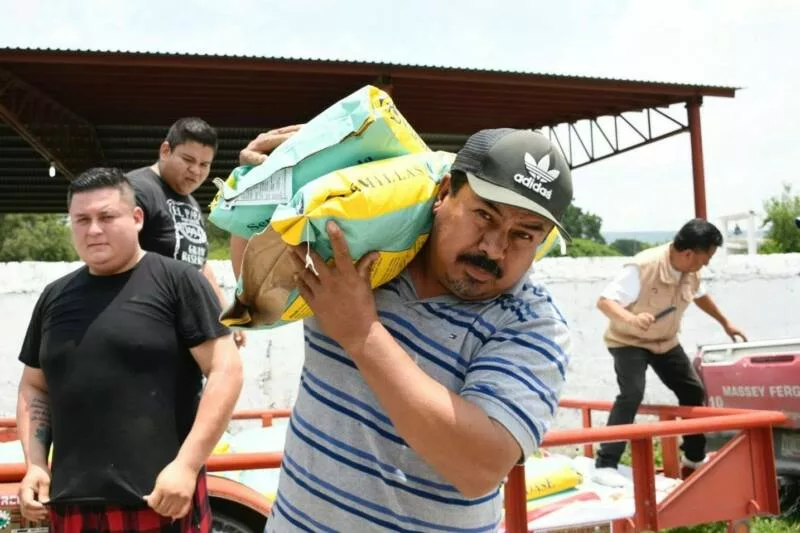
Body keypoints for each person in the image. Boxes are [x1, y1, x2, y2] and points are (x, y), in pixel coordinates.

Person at [263, 128, 574, 531]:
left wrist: (362, 335)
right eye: (484, 216)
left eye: (523, 235)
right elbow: (257, 288)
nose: (494, 248)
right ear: (444, 193)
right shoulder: (358, 256)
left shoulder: (532, 323)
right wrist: (267, 183)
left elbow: (479, 468)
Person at [16, 168, 244, 533]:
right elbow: (34, 386)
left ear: (137, 218)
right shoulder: (54, 297)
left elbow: (225, 370)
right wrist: (36, 465)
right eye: (82, 220)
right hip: (71, 503)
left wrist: (186, 466)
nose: (94, 230)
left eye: (106, 217)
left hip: (160, 499)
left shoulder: (178, 281)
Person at [591, 218, 747, 488]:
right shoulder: (644, 266)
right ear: (689, 253)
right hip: (628, 341)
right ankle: (606, 464)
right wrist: (631, 319)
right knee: (632, 393)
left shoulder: (691, 272)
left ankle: (694, 457)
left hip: (665, 342)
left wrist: (726, 323)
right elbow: (605, 302)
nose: (706, 264)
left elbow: (700, 296)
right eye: (706, 258)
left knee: (692, 391)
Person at [126, 117, 245, 347]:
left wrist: (225, 316)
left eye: (204, 164)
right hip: (145, 332)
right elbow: (112, 260)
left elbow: (199, 265)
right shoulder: (135, 191)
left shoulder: (190, 202)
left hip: (185, 334)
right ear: (165, 151)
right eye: (188, 160)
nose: (195, 171)